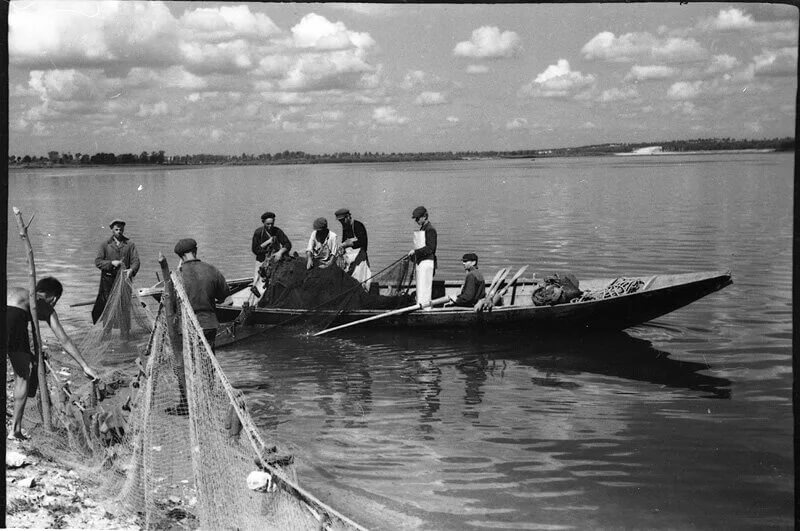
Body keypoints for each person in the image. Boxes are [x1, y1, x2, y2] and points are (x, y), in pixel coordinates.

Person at [7, 280, 99, 440]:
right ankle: (14, 430)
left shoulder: (17, 290)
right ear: (54, 298)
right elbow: (64, 340)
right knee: (22, 376)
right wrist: (84, 366)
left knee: (27, 363)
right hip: (15, 318)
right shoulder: (45, 306)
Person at [174, 238, 231, 351]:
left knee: (191, 362)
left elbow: (171, 307)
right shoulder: (212, 270)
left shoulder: (177, 276)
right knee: (208, 361)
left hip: (187, 327)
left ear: (180, 256)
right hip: (209, 324)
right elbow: (228, 300)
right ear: (195, 251)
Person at [92, 219, 140, 333]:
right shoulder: (105, 244)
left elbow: (136, 261)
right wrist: (111, 263)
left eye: (121, 229)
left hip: (124, 280)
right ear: (112, 230)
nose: (119, 231)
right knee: (108, 308)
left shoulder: (130, 244)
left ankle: (125, 334)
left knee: (124, 307)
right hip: (108, 282)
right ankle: (106, 332)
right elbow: (98, 262)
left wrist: (131, 270)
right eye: (116, 229)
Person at [407, 206, 437, 309]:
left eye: (418, 218)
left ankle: (426, 310)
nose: (416, 220)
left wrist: (415, 252)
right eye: (415, 218)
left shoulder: (430, 230)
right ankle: (420, 307)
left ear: (424, 216)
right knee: (420, 289)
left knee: (425, 289)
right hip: (420, 263)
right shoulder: (423, 228)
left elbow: (430, 249)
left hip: (427, 264)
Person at [334, 208, 372, 288]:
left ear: (348, 217)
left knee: (361, 280)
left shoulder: (358, 225)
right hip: (350, 259)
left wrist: (349, 244)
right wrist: (341, 252)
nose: (341, 223)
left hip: (360, 259)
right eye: (340, 221)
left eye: (342, 220)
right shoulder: (345, 227)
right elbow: (344, 241)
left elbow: (363, 243)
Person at [251, 212, 291, 283]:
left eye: (272, 224)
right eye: (268, 224)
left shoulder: (277, 231)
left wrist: (280, 252)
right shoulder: (258, 232)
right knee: (258, 283)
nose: (270, 226)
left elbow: (287, 244)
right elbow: (255, 250)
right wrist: (267, 242)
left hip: (275, 260)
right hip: (262, 260)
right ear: (263, 223)